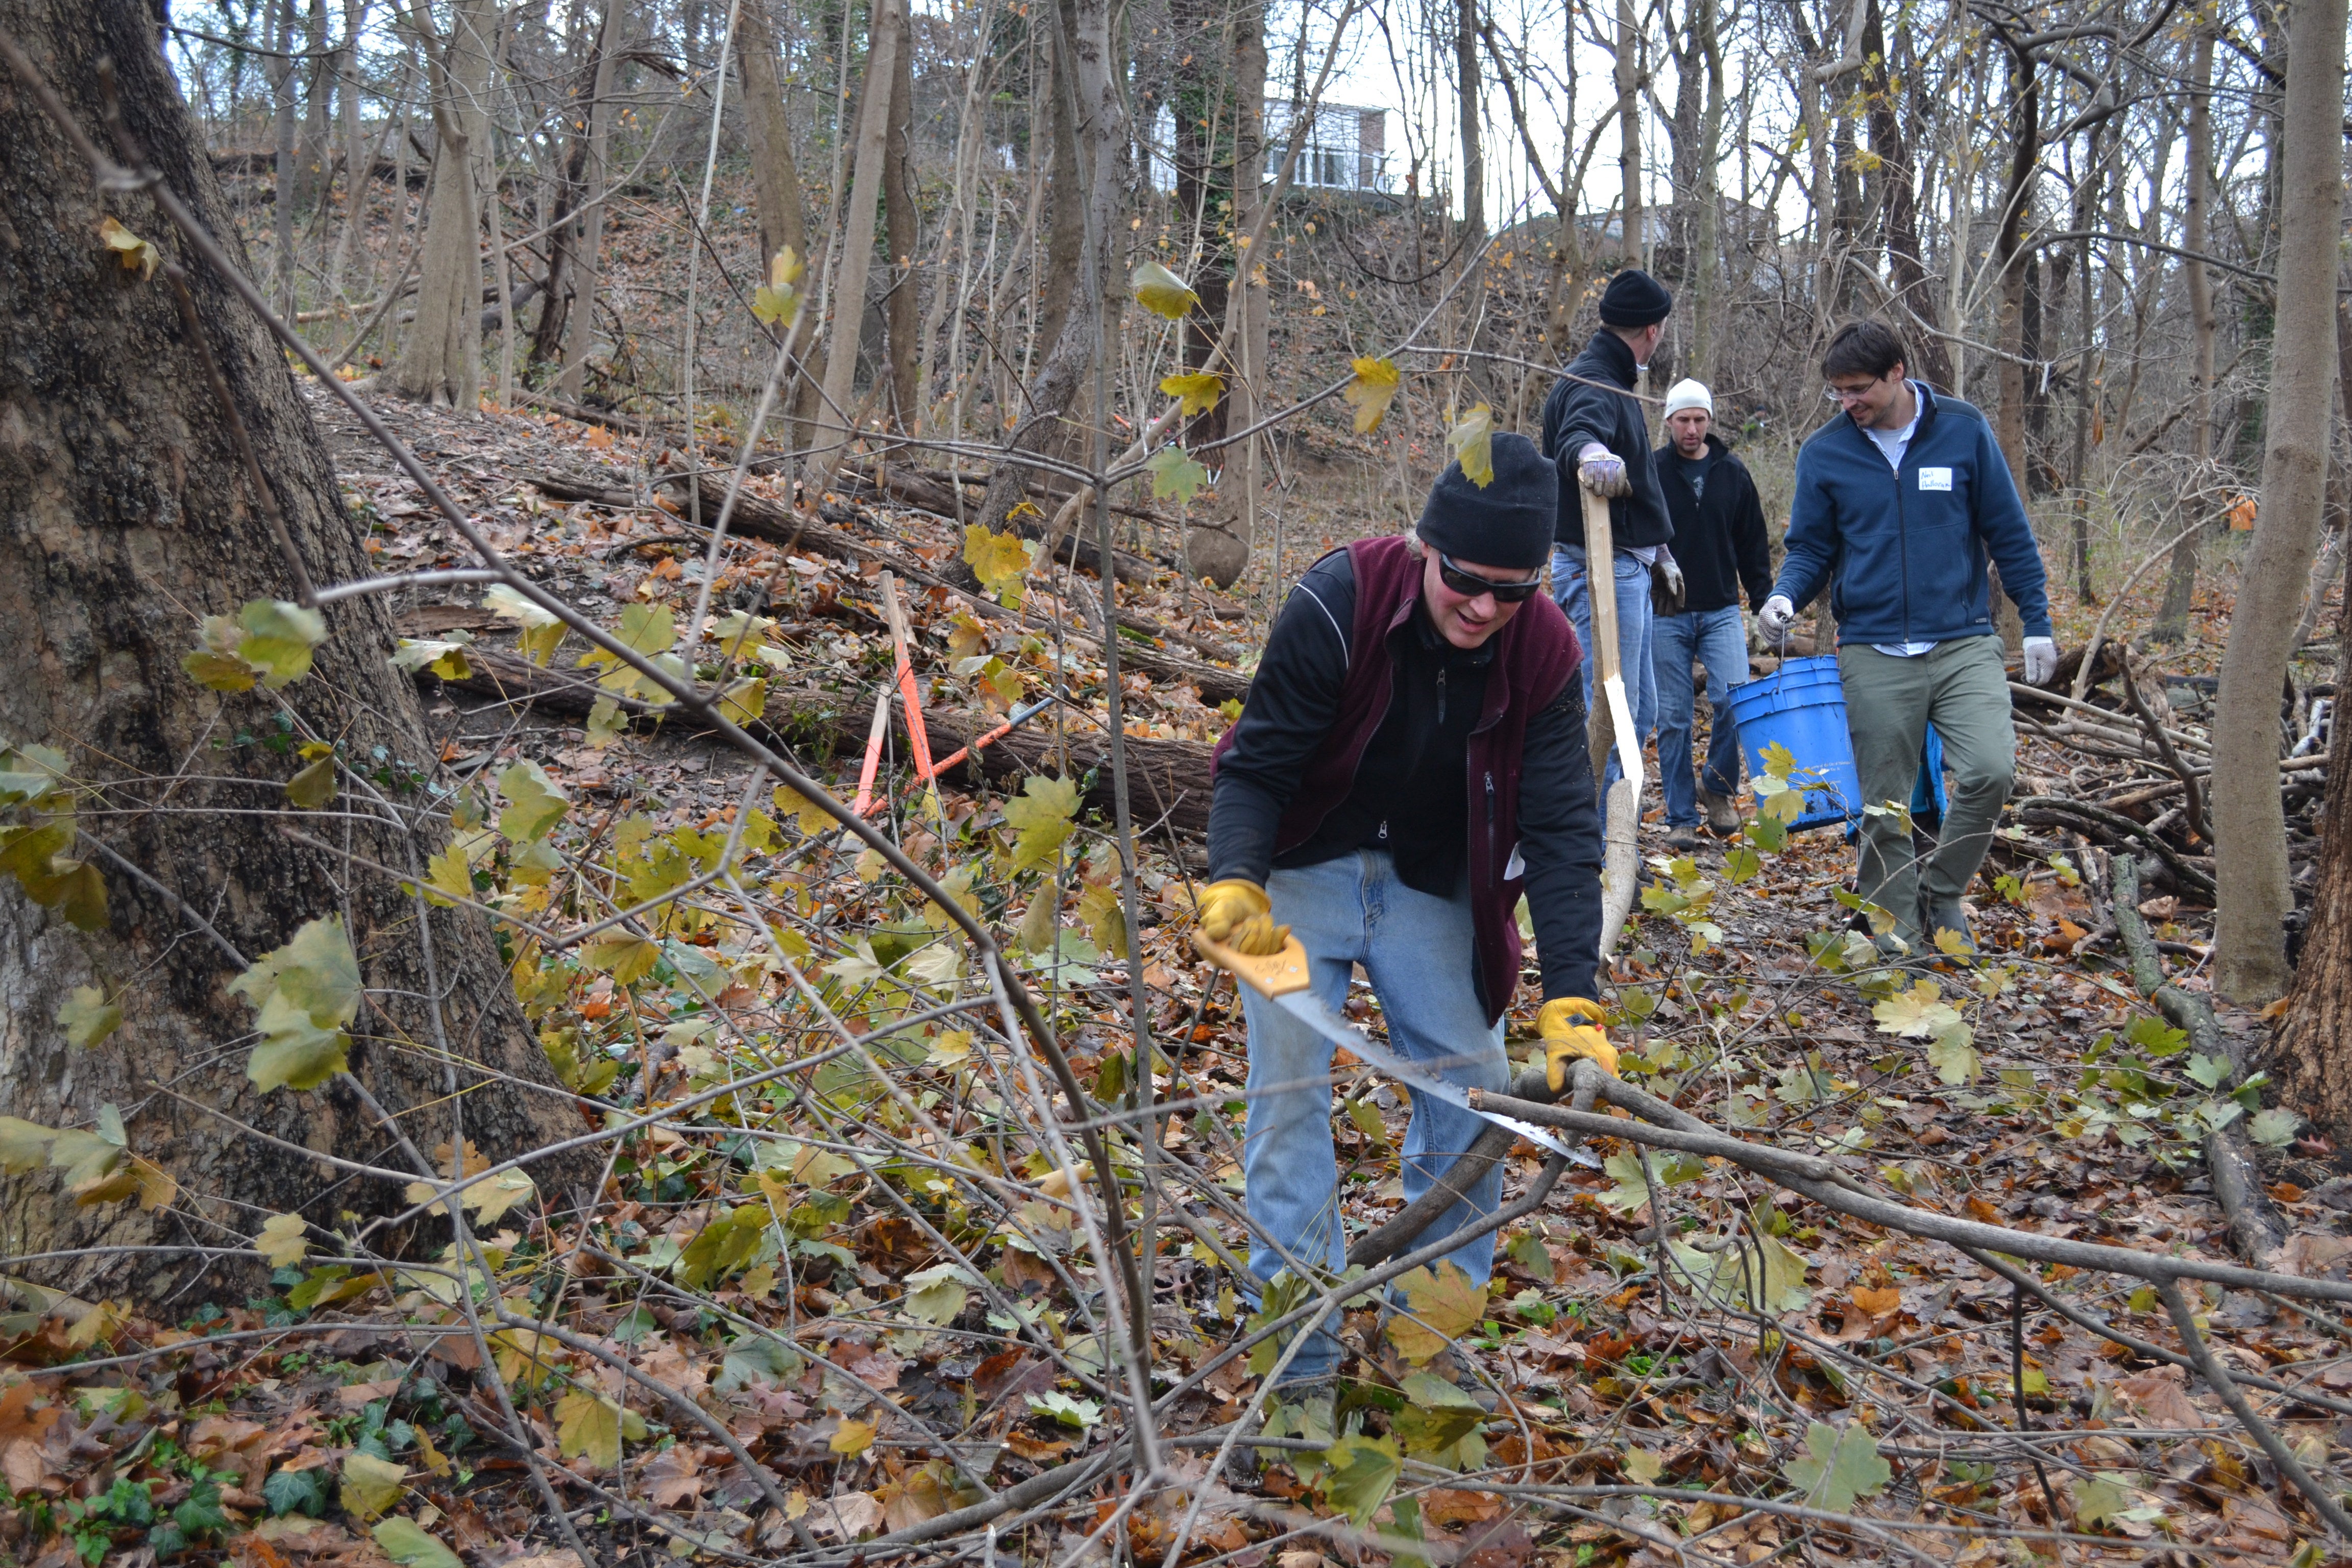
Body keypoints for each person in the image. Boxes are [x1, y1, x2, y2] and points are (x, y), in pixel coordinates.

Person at [1197, 433, 1616, 1392]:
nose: (1483, 608)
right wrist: (1235, 883)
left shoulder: (1545, 647)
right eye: (1465, 580)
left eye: (1511, 591)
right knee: (1286, 1096)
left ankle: (1424, 1345)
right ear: (1425, 546)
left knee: (1472, 1102)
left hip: (1434, 881)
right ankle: (1297, 1356)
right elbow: (1255, 765)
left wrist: (1575, 997)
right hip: (1303, 865)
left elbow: (1559, 830)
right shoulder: (1339, 598)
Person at [1758, 321, 2060, 953]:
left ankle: (1942, 892)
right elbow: (1812, 546)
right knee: (1885, 806)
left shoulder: (1962, 429)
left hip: (1962, 640)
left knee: (1990, 772)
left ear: (1898, 372)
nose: (1849, 403)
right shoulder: (1826, 452)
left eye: (1859, 389)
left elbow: (2009, 532)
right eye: (1837, 392)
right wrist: (1787, 594)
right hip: (1871, 646)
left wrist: (2036, 622)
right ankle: (1894, 939)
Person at [1540, 268, 1677, 790]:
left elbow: (1636, 487)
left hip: (1627, 567)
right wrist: (1596, 455)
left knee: (1635, 718)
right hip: (1601, 571)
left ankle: (1612, 847)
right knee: (1608, 721)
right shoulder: (1597, 380)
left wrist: (1660, 554)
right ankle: (1591, 855)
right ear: (1652, 331)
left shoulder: (1613, 379)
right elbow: (1580, 434)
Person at [1650, 378, 1773, 851]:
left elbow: (1752, 544)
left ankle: (1718, 788)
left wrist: (1764, 603)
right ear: (1669, 422)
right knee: (1675, 717)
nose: (1693, 428)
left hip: (1722, 608)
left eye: (1700, 419)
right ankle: (1680, 815)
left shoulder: (1732, 473)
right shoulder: (1654, 471)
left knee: (1733, 700)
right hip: (1666, 611)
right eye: (1684, 419)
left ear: (1709, 421)